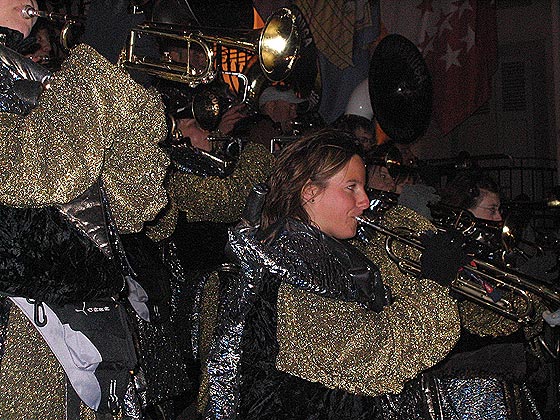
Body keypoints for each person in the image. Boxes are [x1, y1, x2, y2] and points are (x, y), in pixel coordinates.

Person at [202, 128, 461, 419]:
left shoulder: (320, 248)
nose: (365, 201)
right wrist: (434, 286)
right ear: (310, 192)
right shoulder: (295, 263)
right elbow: (375, 354)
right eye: (351, 187)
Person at [0, 0, 170, 417]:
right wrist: (96, 60)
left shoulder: (34, 78)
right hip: (18, 342)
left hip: (87, 324)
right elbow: (38, 173)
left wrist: (132, 91)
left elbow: (133, 206)